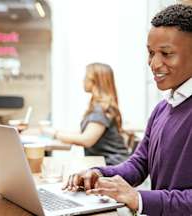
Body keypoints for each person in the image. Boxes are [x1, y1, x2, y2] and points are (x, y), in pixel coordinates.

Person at [63, 4, 192, 215]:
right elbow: (139, 164)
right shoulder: (163, 108)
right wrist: (99, 173)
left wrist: (138, 198)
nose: (154, 63)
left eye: (166, 53)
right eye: (151, 53)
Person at [42, 63, 129, 165]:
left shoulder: (102, 109)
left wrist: (55, 134)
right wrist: (56, 131)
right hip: (107, 163)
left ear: (95, 81)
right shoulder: (99, 106)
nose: (83, 80)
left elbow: (86, 140)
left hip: (114, 166)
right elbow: (81, 132)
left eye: (86, 77)